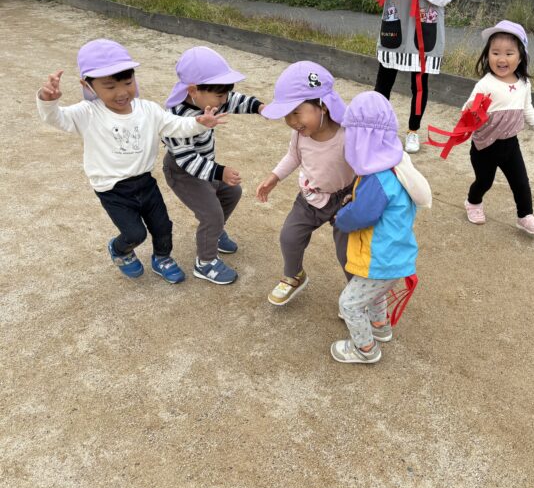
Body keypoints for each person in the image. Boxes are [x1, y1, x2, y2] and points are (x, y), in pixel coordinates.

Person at [36, 39, 227, 282]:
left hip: (145, 182)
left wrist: (198, 123)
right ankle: (120, 250)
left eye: (128, 82)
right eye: (110, 86)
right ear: (88, 86)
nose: (122, 92)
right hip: (112, 189)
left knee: (163, 226)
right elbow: (57, 119)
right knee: (135, 233)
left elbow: (175, 125)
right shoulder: (88, 113)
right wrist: (48, 100)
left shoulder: (147, 109)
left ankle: (162, 258)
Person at [331, 91, 432, 364]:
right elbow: (376, 203)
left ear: (361, 140)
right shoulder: (394, 166)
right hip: (396, 256)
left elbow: (360, 216)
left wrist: (341, 215)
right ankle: (380, 328)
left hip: (381, 259)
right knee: (375, 295)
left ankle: (364, 349)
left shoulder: (376, 178)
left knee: (349, 304)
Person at [163, 46, 265, 285]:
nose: (225, 100)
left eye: (226, 94)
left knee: (231, 192)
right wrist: (220, 171)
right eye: (220, 95)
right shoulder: (176, 119)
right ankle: (205, 263)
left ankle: (215, 233)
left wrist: (259, 106)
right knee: (211, 213)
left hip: (204, 166)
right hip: (183, 173)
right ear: (193, 90)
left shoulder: (210, 99)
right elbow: (187, 160)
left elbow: (235, 100)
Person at [255, 61, 355, 306]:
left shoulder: (348, 133)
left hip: (345, 200)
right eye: (287, 115)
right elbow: (293, 156)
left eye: (296, 112)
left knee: (348, 253)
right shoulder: (299, 134)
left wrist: (359, 194)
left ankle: (356, 296)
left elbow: (365, 167)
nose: (292, 121)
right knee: (289, 236)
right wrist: (274, 176)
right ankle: (294, 275)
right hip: (310, 198)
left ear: (322, 106)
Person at [462, 21, 534, 234]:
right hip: (485, 145)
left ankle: (525, 216)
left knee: (521, 182)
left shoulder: (523, 83)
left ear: (521, 56)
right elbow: (467, 108)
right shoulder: (485, 84)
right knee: (484, 181)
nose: (501, 59)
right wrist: (470, 110)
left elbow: (526, 106)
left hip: (510, 144)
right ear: (487, 56)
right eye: (495, 53)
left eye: (509, 53)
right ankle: (473, 202)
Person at [372, 0, 456, 153]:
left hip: (424, 23)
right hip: (396, 18)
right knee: (383, 80)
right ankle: (378, 128)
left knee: (419, 83)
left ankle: (412, 131)